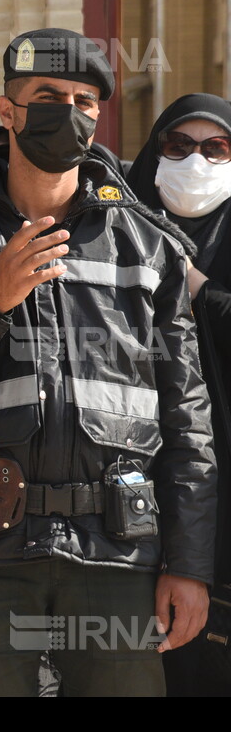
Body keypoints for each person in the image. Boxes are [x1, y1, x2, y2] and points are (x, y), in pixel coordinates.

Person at [0, 28, 217, 696]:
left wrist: (190, 562)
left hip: (119, 554)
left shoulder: (143, 244)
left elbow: (186, 416)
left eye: (84, 99)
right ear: (8, 111)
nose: (70, 112)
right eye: (49, 96)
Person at [124, 93, 231, 695]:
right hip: (136, 498)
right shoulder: (121, 234)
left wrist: (198, 289)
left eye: (217, 149)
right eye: (179, 147)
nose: (197, 162)